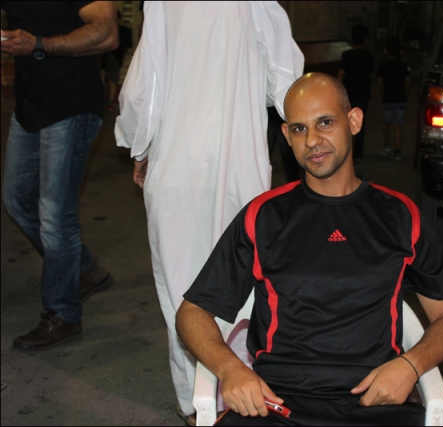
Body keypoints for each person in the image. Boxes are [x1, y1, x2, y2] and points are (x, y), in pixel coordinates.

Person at [176, 73, 443, 426]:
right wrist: (230, 368)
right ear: (286, 136)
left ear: (354, 121)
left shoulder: (401, 216)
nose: (312, 140)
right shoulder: (263, 217)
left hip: (375, 404)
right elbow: (192, 312)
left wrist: (411, 365)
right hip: (275, 404)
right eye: (299, 129)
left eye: (325, 122)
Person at [114, 3, 303, 424]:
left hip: (176, 170)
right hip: (240, 170)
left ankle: (196, 406)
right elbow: (288, 81)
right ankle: (244, 397)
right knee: (245, 290)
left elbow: (142, 91)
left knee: (181, 291)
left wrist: (139, 147)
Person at [1, 1, 117, 351]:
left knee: (55, 215)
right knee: (18, 200)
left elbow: (107, 32)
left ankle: (63, 313)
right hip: (30, 104)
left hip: (71, 103)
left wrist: (38, 44)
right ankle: (84, 268)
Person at [337, 24, 374, 162]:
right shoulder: (368, 56)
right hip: (363, 93)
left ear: (351, 38)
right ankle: (358, 152)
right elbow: (371, 76)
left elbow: (341, 74)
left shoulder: (346, 55)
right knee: (360, 123)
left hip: (348, 94)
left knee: (345, 122)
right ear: (366, 40)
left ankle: (345, 150)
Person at [375, 37, 411, 161]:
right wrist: (407, 94)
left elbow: (379, 83)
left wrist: (376, 99)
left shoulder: (383, 66)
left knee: (386, 123)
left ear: (386, 51)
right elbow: (408, 82)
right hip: (400, 98)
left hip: (388, 98)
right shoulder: (403, 66)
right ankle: (397, 150)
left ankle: (386, 146)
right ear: (401, 52)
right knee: (398, 124)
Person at [103, 10, 132, 113]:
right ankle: (110, 101)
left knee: (112, 76)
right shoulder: (108, 30)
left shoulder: (123, 31)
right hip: (110, 56)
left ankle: (111, 101)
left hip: (116, 56)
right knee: (111, 76)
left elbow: (127, 46)